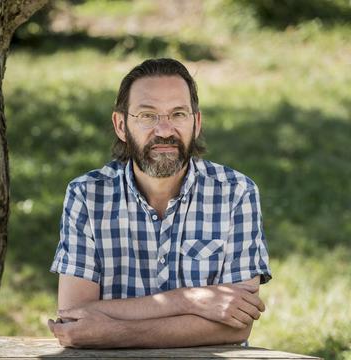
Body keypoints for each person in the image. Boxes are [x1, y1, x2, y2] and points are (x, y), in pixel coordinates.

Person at [47, 58, 272, 349]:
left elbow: (236, 328)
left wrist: (113, 332)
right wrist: (191, 299)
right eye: (147, 116)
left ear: (197, 122)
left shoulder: (236, 193)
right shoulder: (87, 195)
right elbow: (74, 318)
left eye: (178, 114)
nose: (164, 130)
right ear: (121, 124)